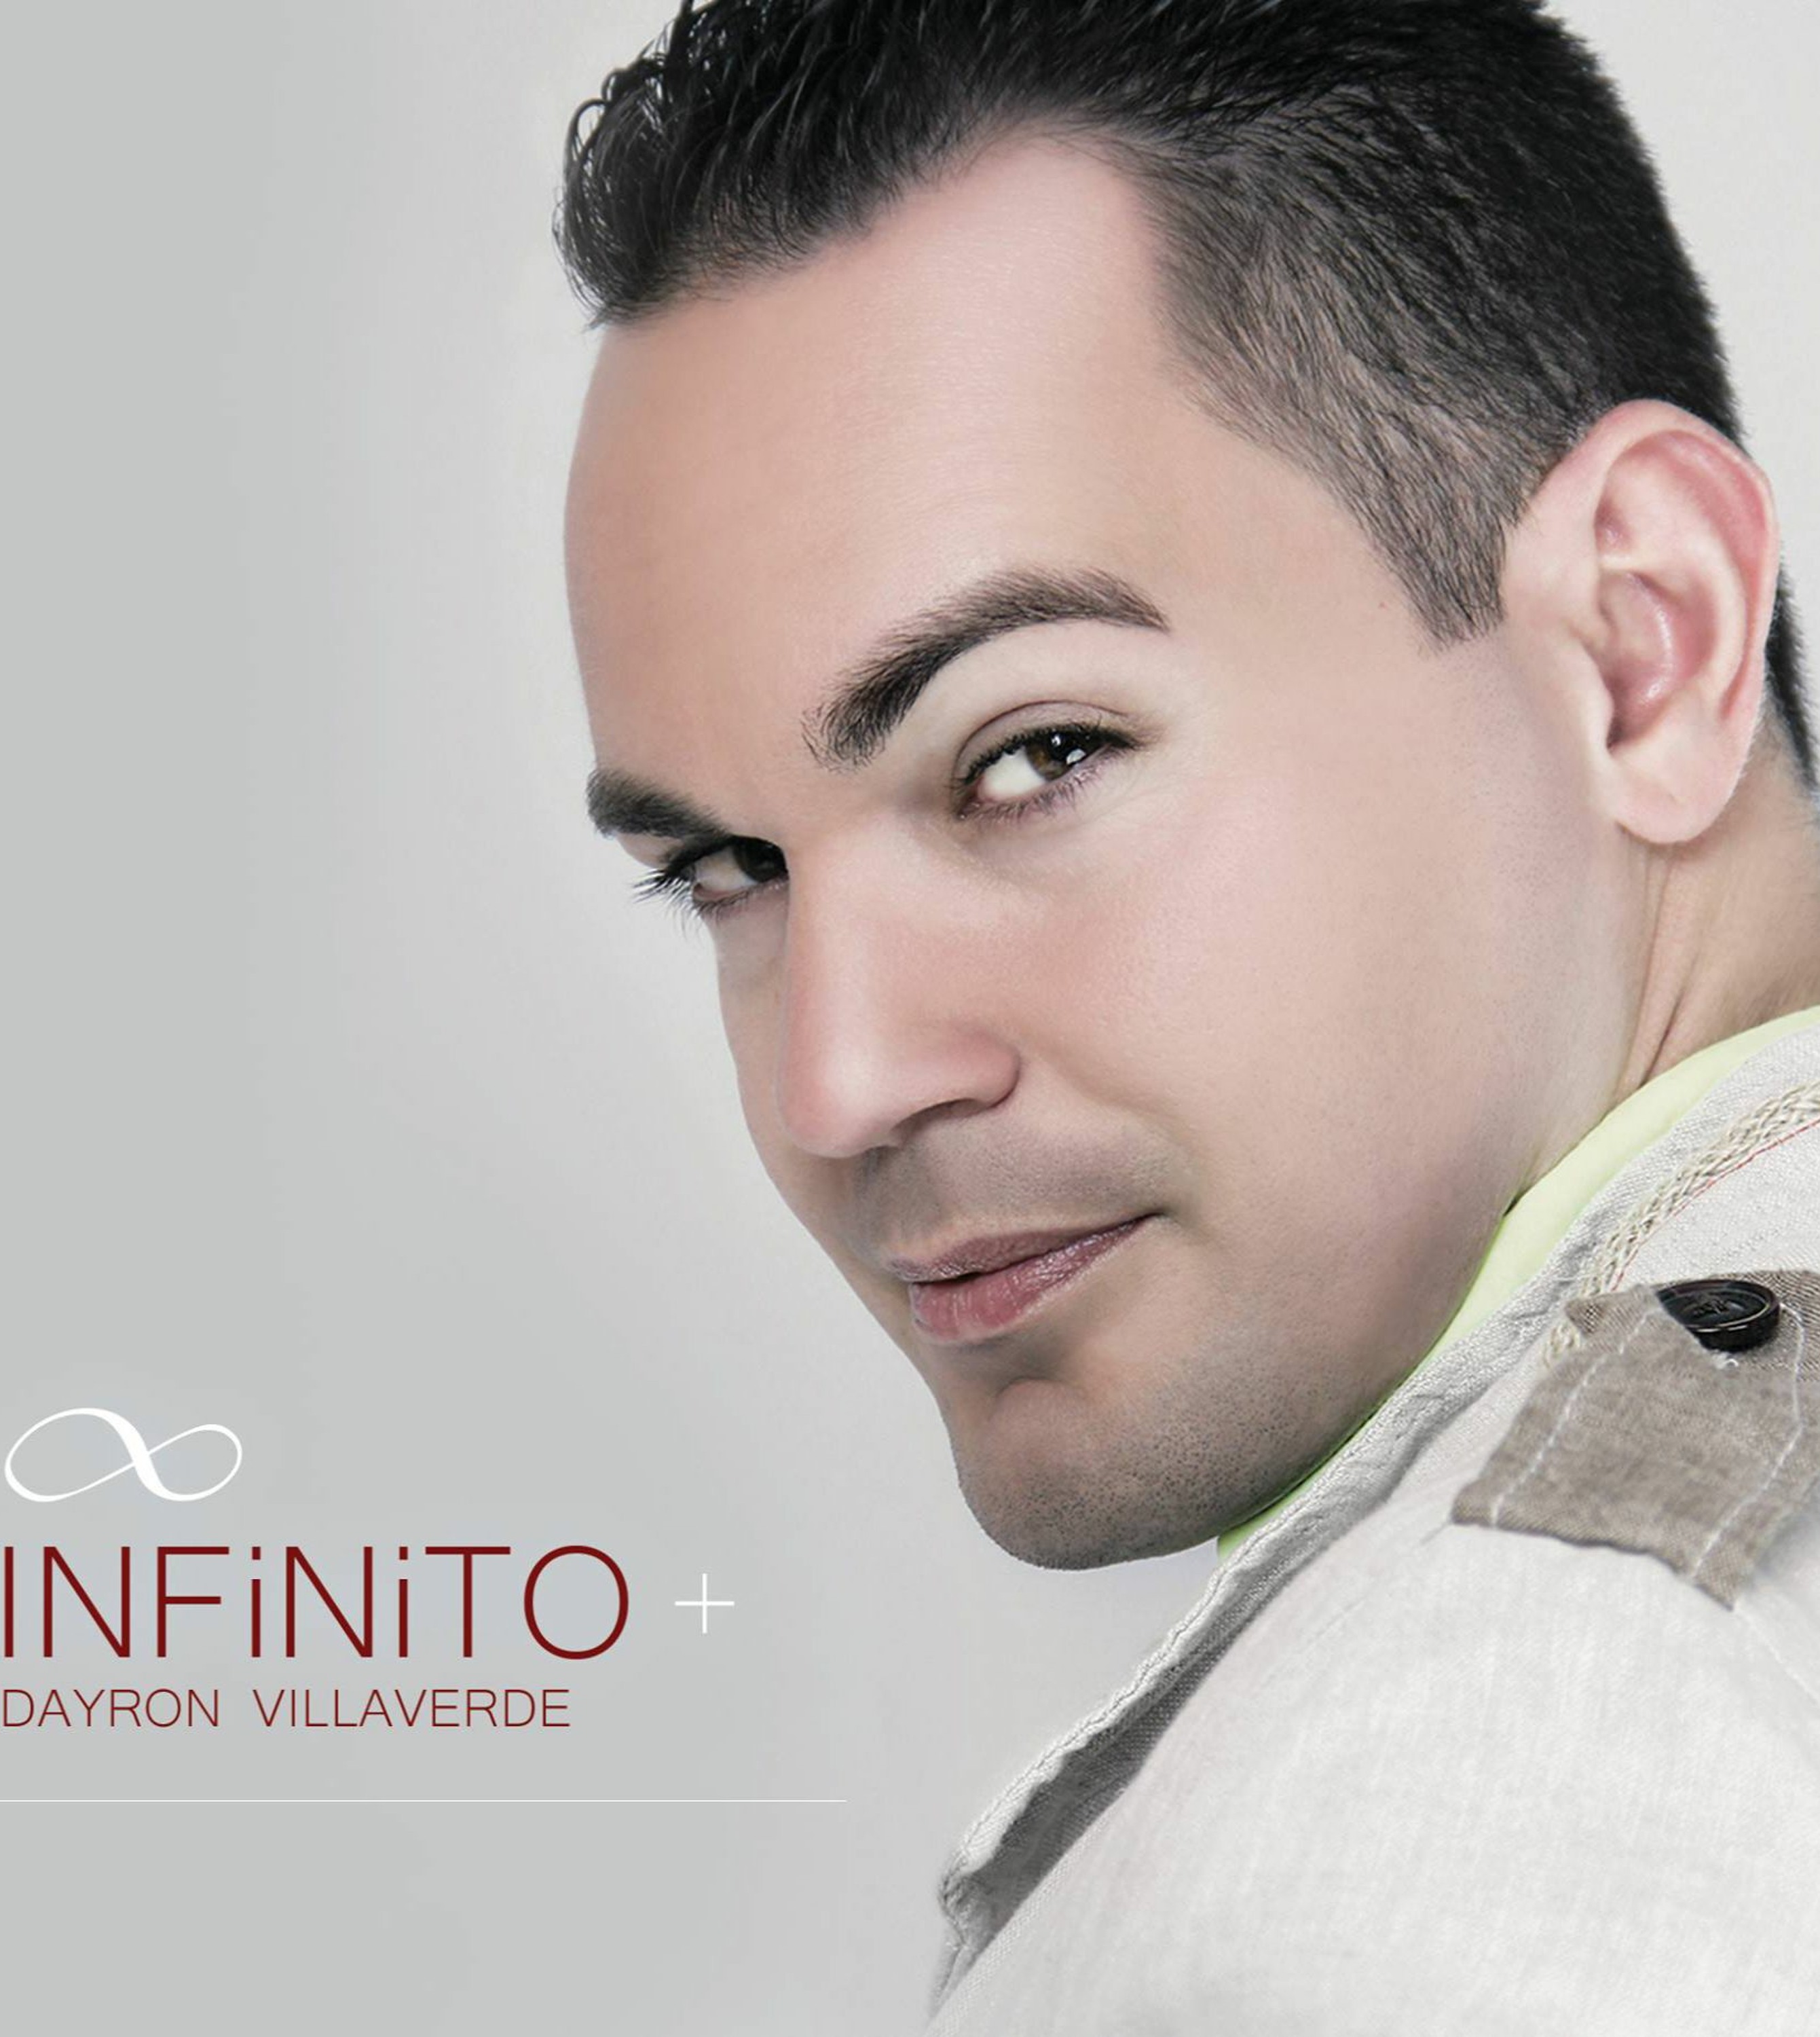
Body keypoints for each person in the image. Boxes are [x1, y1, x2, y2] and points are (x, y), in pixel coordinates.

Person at [552, 1, 1820, 2027]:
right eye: (726, 869)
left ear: (1642, 645)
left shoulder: (1517, 1750)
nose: (837, 1081)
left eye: (1035, 755)